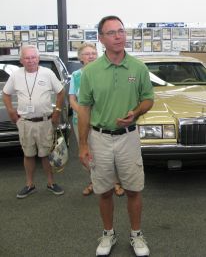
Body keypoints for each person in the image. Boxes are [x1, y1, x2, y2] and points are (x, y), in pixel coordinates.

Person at [78, 15, 154, 257]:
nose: (119, 36)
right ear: (101, 39)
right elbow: (84, 109)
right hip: (99, 138)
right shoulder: (91, 72)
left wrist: (136, 112)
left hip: (128, 137)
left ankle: (136, 234)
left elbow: (148, 99)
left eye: (121, 31)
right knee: (103, 191)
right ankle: (108, 233)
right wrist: (82, 145)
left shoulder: (138, 68)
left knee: (133, 189)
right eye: (111, 33)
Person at [2, 45, 65, 199]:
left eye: (33, 57)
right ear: (21, 60)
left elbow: (61, 92)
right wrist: (11, 111)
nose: (30, 61)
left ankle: (51, 183)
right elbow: (6, 94)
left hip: (45, 122)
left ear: (38, 58)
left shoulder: (47, 73)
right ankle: (30, 185)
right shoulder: (16, 75)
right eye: (27, 58)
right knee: (28, 154)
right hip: (25, 123)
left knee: (45, 155)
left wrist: (57, 111)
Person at [69, 42, 125, 197]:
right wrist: (83, 112)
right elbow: (72, 99)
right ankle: (94, 181)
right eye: (87, 54)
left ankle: (115, 182)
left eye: (93, 53)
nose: (90, 56)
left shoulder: (104, 73)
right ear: (80, 58)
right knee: (88, 152)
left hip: (101, 121)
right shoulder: (76, 76)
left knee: (108, 153)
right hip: (80, 121)